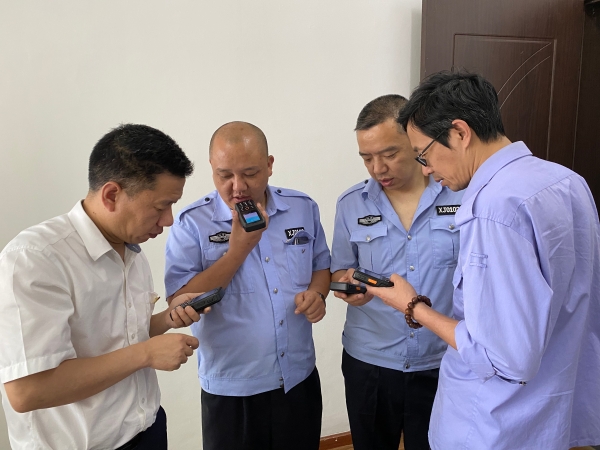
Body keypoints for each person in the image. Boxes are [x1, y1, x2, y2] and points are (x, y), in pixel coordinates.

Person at [368, 71, 600, 449]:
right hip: (550, 412)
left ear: (460, 132)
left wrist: (412, 306)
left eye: (424, 154)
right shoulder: (567, 181)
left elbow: (502, 356)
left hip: (493, 422)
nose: (426, 169)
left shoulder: (493, 208)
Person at [0, 124, 204, 450]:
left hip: (147, 429)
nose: (168, 220)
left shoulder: (132, 252)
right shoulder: (35, 258)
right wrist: (146, 354)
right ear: (112, 195)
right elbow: (27, 391)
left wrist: (167, 318)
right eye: (160, 207)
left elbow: (119, 336)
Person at [164, 121, 331, 450]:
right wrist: (238, 250)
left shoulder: (302, 208)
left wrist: (317, 294)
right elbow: (179, 300)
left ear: (269, 165)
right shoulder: (191, 223)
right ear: (211, 168)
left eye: (250, 173)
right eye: (224, 175)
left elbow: (321, 265)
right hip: (233, 387)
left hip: (297, 376)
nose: (237, 187)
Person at [330, 95, 463, 450]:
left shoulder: (459, 196)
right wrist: (346, 286)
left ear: (415, 141)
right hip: (370, 361)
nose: (377, 168)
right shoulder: (351, 204)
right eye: (366, 158)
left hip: (443, 358)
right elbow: (340, 268)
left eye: (389, 154)